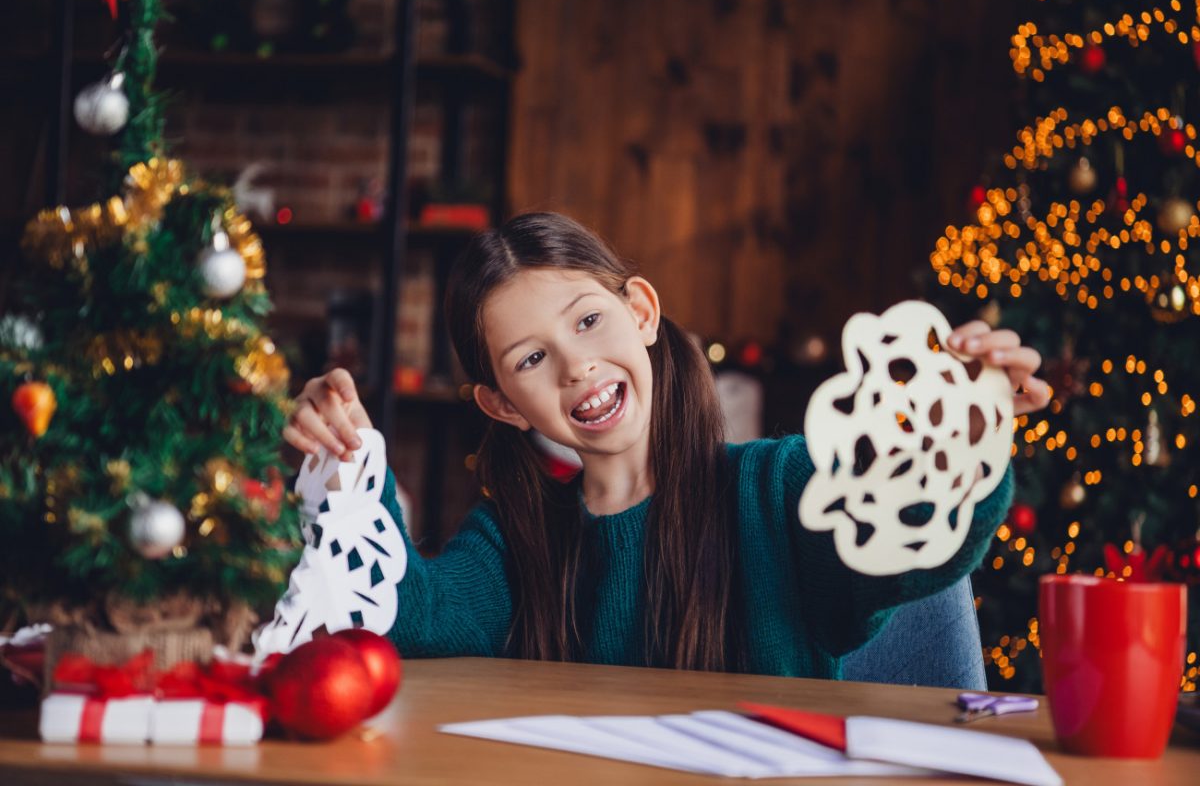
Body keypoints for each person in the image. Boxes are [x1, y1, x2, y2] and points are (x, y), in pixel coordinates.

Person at [283, 212, 1049, 677]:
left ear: (642, 312)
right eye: (529, 359)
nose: (577, 364)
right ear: (502, 405)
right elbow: (413, 614)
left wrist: (967, 427)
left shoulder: (779, 490)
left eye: (588, 321)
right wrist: (346, 461)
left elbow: (912, 544)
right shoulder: (513, 538)